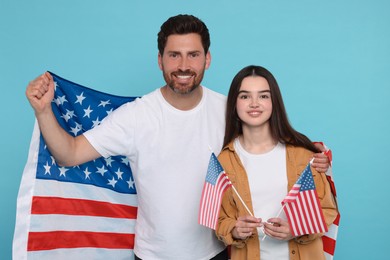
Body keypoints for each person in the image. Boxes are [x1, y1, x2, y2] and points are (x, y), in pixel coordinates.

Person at [25, 15, 330, 260]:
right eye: (174, 55)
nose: (184, 65)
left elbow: (273, 141)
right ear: (160, 60)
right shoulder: (136, 115)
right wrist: (43, 112)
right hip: (152, 255)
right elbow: (70, 154)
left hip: (216, 252)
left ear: (207, 59)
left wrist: (316, 154)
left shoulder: (229, 109)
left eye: (193, 55)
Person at [215, 65, 338, 260]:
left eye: (263, 96)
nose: (254, 103)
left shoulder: (304, 155)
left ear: (274, 102)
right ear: (234, 104)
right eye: (245, 96)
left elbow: (328, 210)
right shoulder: (224, 160)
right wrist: (234, 229)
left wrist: (297, 228)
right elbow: (220, 219)